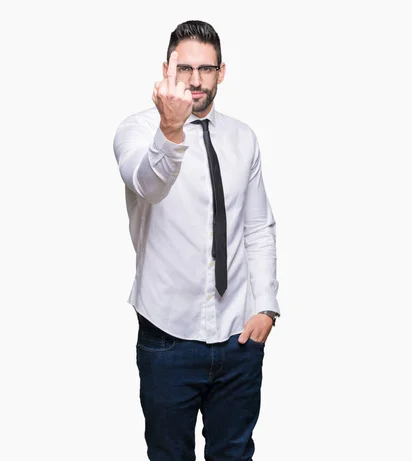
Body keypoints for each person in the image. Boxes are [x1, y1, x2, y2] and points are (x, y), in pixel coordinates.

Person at [112, 19, 280, 461]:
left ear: (221, 72)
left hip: (238, 337)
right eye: (184, 69)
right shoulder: (136, 131)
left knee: (235, 453)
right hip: (168, 335)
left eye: (206, 69)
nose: (195, 80)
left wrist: (265, 306)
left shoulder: (243, 138)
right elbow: (149, 184)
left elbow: (257, 225)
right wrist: (170, 132)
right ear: (166, 68)